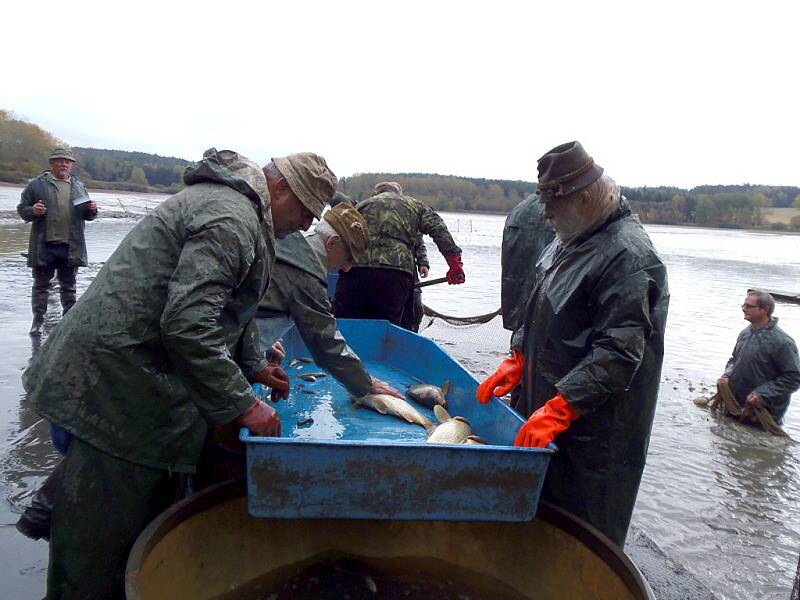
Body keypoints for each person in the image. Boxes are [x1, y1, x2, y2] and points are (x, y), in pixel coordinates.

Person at [21, 147, 337, 598]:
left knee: (132, 513)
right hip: (111, 383)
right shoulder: (233, 219)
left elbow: (233, 307)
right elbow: (188, 323)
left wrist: (253, 366)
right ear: (280, 187)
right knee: (94, 553)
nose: (306, 225)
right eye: (306, 210)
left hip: (135, 373)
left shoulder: (248, 214)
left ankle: (61, 511)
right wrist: (243, 403)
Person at [478, 141, 669, 547]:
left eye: (553, 203)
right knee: (534, 519)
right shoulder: (569, 236)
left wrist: (564, 405)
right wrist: (519, 355)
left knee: (581, 533)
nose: (545, 212)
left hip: (594, 431)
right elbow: (538, 305)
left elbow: (619, 351)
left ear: (583, 199)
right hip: (543, 408)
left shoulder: (630, 256)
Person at [255, 201, 403, 399]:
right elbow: (325, 343)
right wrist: (366, 384)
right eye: (349, 257)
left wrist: (263, 338)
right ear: (331, 242)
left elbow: (258, 301)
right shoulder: (307, 274)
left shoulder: (288, 240)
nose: (347, 268)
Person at [334, 181, 465, 328]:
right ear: (399, 194)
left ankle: (345, 348)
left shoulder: (362, 205)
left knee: (345, 321)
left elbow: (339, 234)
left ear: (376, 194)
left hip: (357, 271)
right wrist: (455, 264)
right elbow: (439, 229)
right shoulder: (415, 205)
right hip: (396, 274)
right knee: (392, 326)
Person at [17, 145, 98, 335]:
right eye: (60, 161)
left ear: (71, 165)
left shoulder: (79, 186)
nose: (64, 164)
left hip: (71, 246)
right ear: (52, 163)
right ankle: (37, 322)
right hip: (44, 244)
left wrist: (92, 210)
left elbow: (87, 215)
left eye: (68, 161)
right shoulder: (36, 185)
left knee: (69, 287)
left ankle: (68, 321)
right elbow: (22, 209)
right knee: (41, 286)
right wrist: (33, 211)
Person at [704, 290, 800, 428]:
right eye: (743, 305)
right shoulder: (745, 333)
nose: (743, 309)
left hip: (762, 414)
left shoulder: (783, 342)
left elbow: (793, 377)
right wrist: (727, 375)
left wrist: (762, 394)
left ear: (765, 309)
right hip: (734, 407)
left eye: (749, 306)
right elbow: (733, 359)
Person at [399, 233, 429, 332]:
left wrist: (423, 263)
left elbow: (419, 243)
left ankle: (412, 332)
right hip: (384, 269)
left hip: (409, 270)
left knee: (417, 308)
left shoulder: (411, 220)